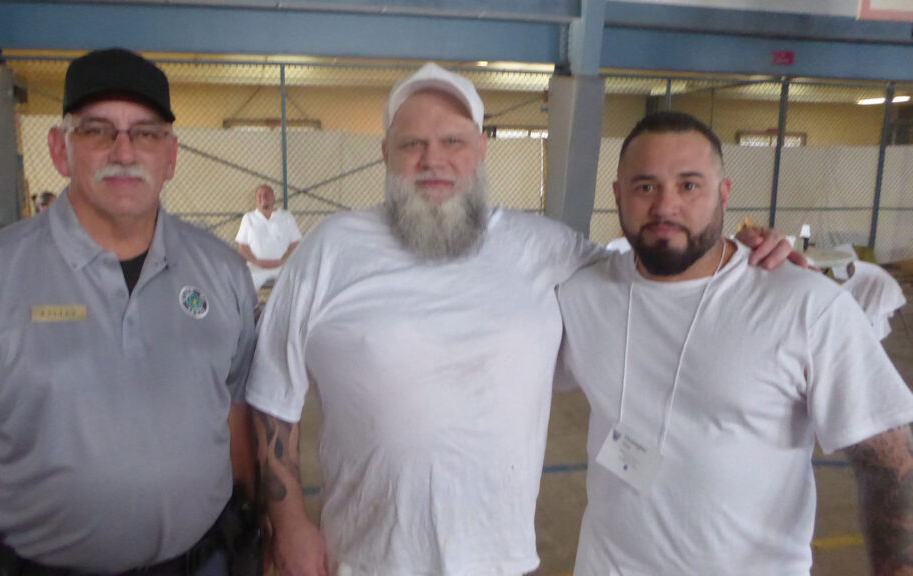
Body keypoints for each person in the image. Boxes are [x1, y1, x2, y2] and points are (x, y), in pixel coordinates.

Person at [245, 63, 796, 576]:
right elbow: (274, 391)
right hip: (364, 557)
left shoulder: (545, 247)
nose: (433, 160)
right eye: (412, 144)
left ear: (481, 149)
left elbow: (659, 274)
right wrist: (288, 523)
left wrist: (742, 250)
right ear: (387, 152)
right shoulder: (330, 251)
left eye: (453, 142)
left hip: (500, 559)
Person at [0, 48, 258, 576]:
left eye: (146, 133)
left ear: (171, 156)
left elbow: (234, 415)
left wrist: (248, 534)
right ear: (59, 150)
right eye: (96, 131)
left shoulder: (223, 274)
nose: (124, 151)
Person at [556, 111, 913, 575]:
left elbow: (889, 459)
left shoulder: (804, 303)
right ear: (618, 195)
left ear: (724, 195)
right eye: (645, 187)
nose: (665, 206)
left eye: (689, 185)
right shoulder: (582, 292)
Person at [235, 184, 302, 291]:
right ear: (255, 200)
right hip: (256, 269)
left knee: (301, 285)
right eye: (259, 195)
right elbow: (242, 247)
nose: (263, 197)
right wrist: (257, 262)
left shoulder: (286, 217)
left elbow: (295, 243)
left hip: (282, 267)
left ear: (274, 198)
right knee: (242, 289)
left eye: (266, 194)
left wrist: (283, 260)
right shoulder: (248, 218)